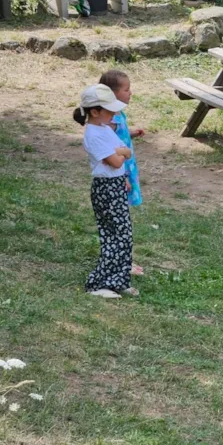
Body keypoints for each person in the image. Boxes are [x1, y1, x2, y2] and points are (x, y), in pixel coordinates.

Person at [73, 84, 138, 299]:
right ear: (95, 112)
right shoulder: (94, 134)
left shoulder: (104, 129)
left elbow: (123, 151)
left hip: (116, 185)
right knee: (114, 236)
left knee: (124, 236)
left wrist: (121, 155)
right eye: (110, 110)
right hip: (106, 189)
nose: (115, 114)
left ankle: (118, 280)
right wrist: (121, 154)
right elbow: (116, 161)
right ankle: (98, 283)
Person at [98, 70, 145, 277]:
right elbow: (109, 149)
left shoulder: (117, 116)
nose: (130, 93)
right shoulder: (109, 120)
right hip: (119, 174)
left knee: (122, 220)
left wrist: (131, 133)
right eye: (126, 89)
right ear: (111, 94)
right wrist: (124, 178)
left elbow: (119, 138)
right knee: (120, 224)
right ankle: (123, 262)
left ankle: (123, 259)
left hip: (124, 170)